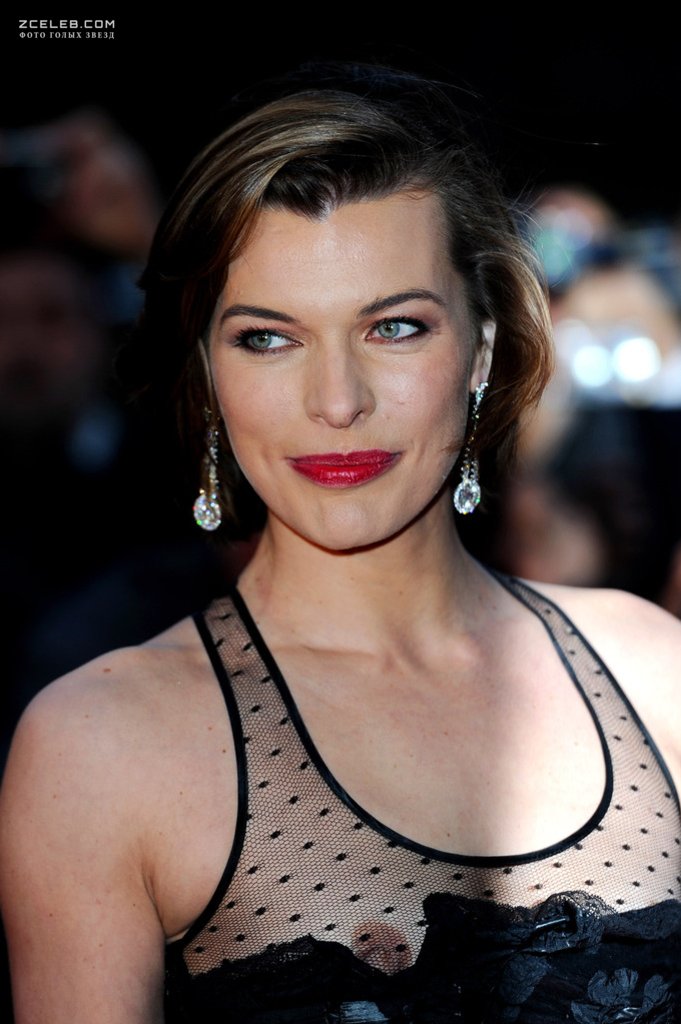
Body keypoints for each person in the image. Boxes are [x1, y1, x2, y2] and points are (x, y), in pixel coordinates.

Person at [1, 68, 680, 1023]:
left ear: (481, 351)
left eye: (394, 327)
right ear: (206, 369)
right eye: (268, 339)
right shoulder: (99, 746)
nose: (336, 402)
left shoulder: (653, 670)